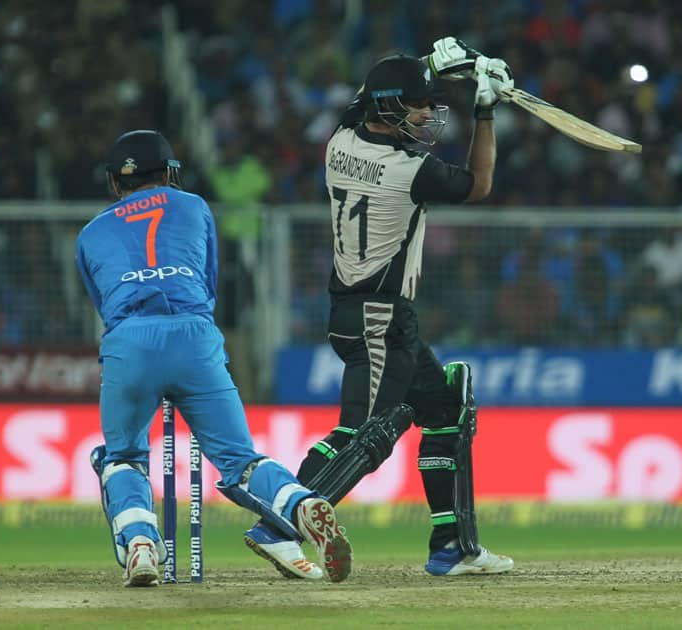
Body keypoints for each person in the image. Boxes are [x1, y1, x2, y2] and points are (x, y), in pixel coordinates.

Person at [76, 130, 351, 586]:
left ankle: (141, 544)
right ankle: (302, 504)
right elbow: (208, 282)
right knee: (240, 461)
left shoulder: (89, 234)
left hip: (129, 340)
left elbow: (103, 306)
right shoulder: (194, 206)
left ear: (113, 182)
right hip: (194, 335)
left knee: (122, 457)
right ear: (168, 173)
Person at [289, 37, 514, 576]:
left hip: (365, 312)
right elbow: (479, 184)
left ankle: (452, 548)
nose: (427, 115)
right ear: (390, 107)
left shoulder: (339, 141)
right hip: (378, 317)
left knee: (446, 407)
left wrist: (432, 65)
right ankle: (279, 521)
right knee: (366, 433)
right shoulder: (409, 169)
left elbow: (367, 90)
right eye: (419, 105)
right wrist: (485, 110)